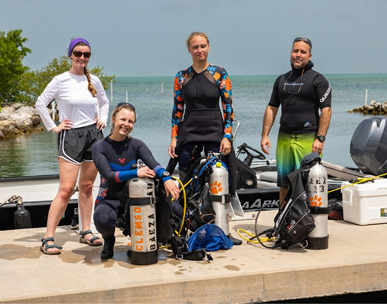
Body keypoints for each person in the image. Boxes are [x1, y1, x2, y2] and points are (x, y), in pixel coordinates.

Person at [36, 37, 110, 255]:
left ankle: (86, 230)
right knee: (67, 189)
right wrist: (53, 127)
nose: (82, 58)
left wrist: (103, 119)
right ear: (70, 55)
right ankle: (48, 237)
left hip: (94, 136)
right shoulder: (60, 80)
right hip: (71, 136)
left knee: (87, 187)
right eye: (78, 53)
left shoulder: (94, 80)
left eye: (86, 54)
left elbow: (104, 102)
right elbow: (41, 103)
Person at [92, 102, 180, 260]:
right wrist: (136, 172)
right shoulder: (100, 147)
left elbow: (155, 165)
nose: (126, 124)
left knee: (177, 210)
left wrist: (167, 178)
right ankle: (108, 240)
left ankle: (164, 239)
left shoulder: (136, 145)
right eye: (123, 119)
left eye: (130, 121)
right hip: (110, 199)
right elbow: (109, 175)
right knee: (102, 218)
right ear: (113, 119)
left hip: (136, 199)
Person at [260, 37, 332, 206]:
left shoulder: (318, 80)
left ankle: (309, 223)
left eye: (303, 52)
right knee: (284, 183)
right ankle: (284, 221)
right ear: (291, 53)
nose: (298, 55)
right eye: (295, 51)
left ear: (310, 55)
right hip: (284, 138)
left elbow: (326, 110)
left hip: (308, 139)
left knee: (309, 182)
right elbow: (272, 107)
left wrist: (320, 138)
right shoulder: (281, 80)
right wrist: (265, 135)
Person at [168, 32, 237, 193]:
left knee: (216, 173)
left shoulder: (219, 73)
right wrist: (173, 138)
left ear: (208, 47)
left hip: (214, 132)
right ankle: (187, 213)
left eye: (203, 46)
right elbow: (177, 110)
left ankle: (215, 213)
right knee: (185, 172)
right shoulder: (181, 76)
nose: (200, 50)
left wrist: (227, 136)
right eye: (195, 47)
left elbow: (228, 107)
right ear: (189, 50)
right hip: (189, 131)